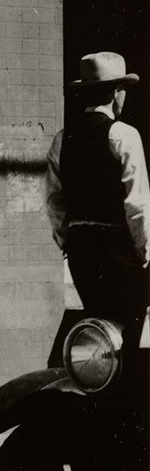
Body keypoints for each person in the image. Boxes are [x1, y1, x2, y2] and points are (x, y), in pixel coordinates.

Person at [45, 51, 149, 336]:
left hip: (81, 253)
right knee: (127, 333)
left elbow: (54, 200)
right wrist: (144, 254)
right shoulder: (124, 136)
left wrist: (69, 242)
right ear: (117, 91)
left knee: (98, 329)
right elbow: (137, 204)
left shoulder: (62, 139)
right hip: (118, 251)